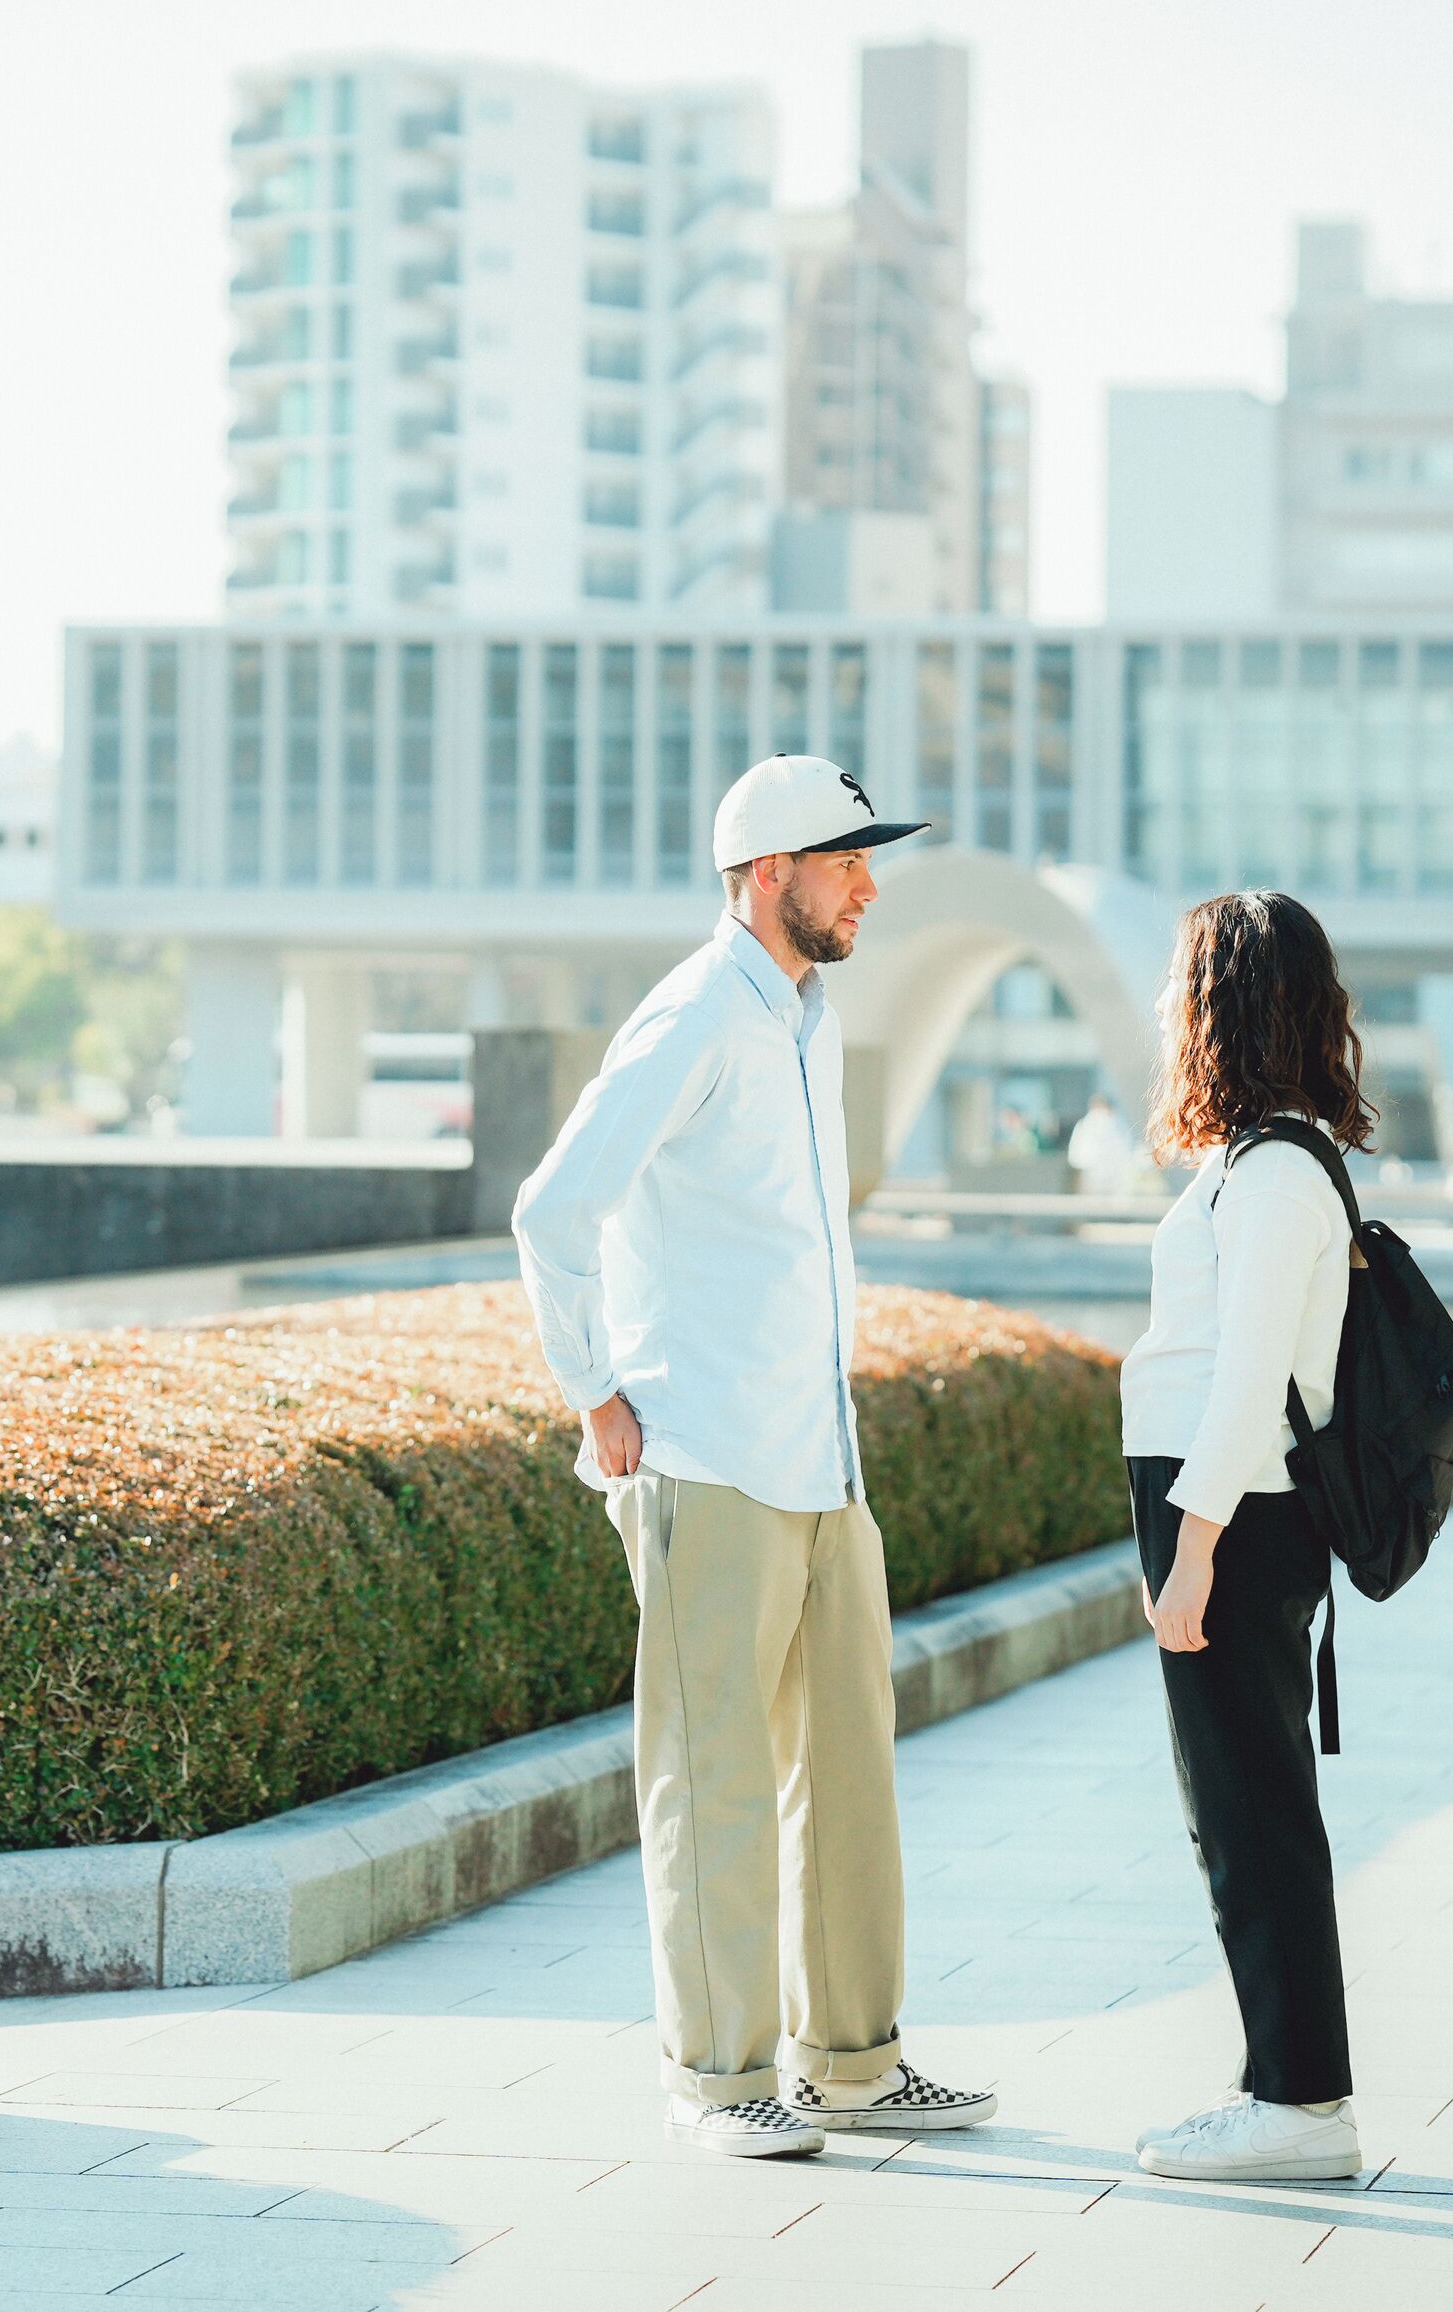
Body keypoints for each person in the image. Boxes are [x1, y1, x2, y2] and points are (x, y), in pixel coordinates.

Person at [513, 754, 998, 2162]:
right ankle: (720, 2081)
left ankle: (852, 2062)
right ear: (767, 873)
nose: (870, 881)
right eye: (848, 859)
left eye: (867, 859)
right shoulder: (692, 1017)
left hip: (821, 1464)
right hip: (711, 1458)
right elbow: (553, 1212)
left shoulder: (807, 1018)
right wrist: (597, 1391)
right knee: (708, 1776)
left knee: (848, 1772)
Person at [1119, 888, 1369, 2182]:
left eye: (1185, 987)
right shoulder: (1248, 1164)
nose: (1170, 1006)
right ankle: (1283, 2086)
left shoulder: (1277, 1174)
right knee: (1239, 1810)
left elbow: (1247, 1379)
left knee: (1254, 1813)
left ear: (1225, 1008)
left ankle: (1303, 2105)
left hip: (1235, 1515)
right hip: (1219, 1508)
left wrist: (1193, 1548)